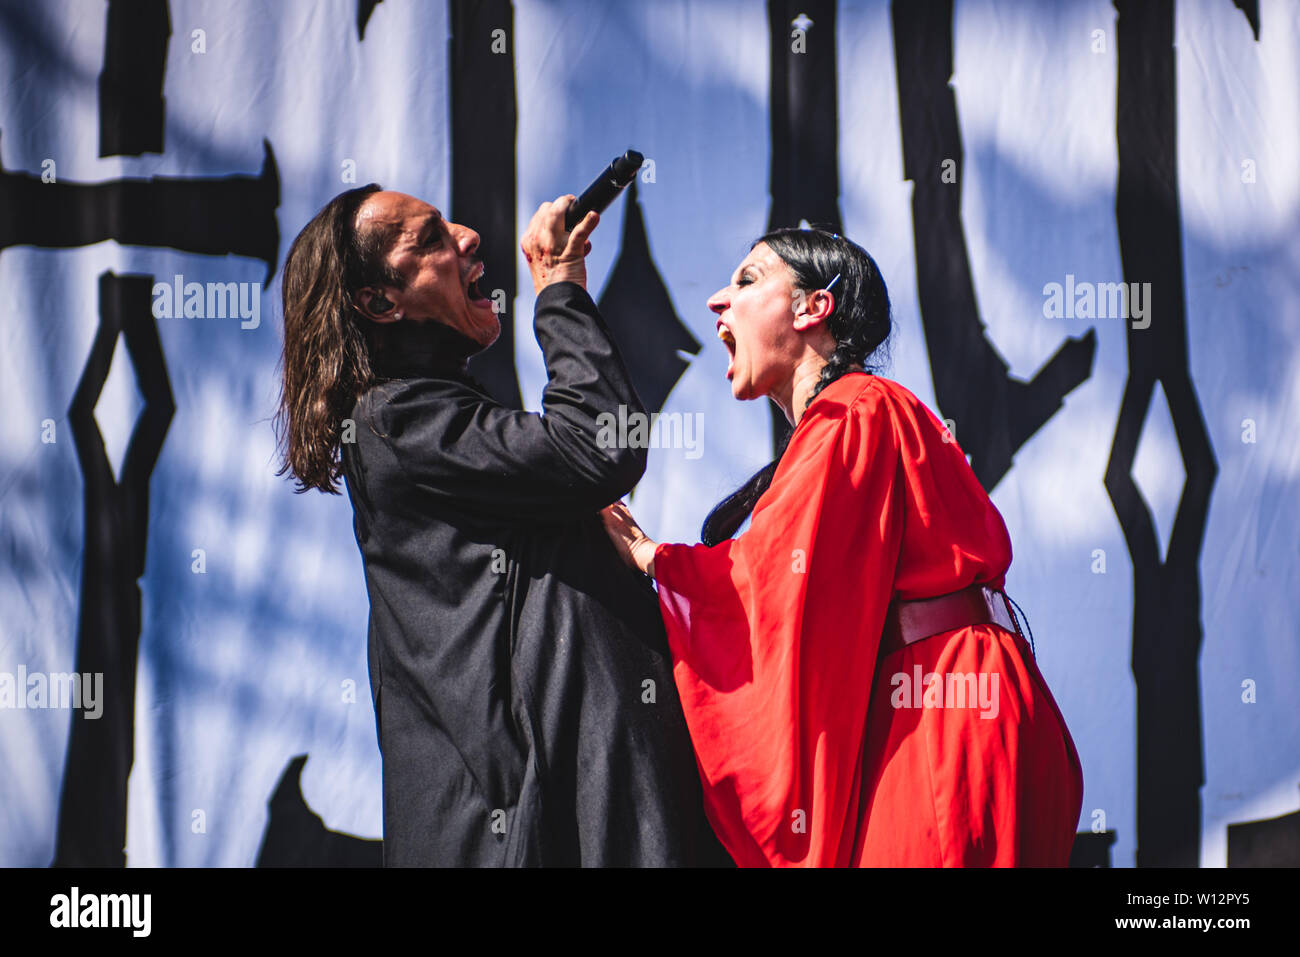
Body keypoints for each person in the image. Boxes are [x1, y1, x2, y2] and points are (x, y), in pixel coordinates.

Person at [600, 228, 1084, 867]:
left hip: (943, 711)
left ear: (810, 309)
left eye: (747, 281)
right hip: (948, 698)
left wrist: (648, 556)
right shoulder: (858, 412)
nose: (718, 300)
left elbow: (769, 578)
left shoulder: (854, 410)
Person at [275, 184, 726, 866]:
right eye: (427, 239)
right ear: (379, 301)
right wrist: (560, 287)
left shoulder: (430, 417)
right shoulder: (397, 421)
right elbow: (602, 443)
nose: (467, 236)